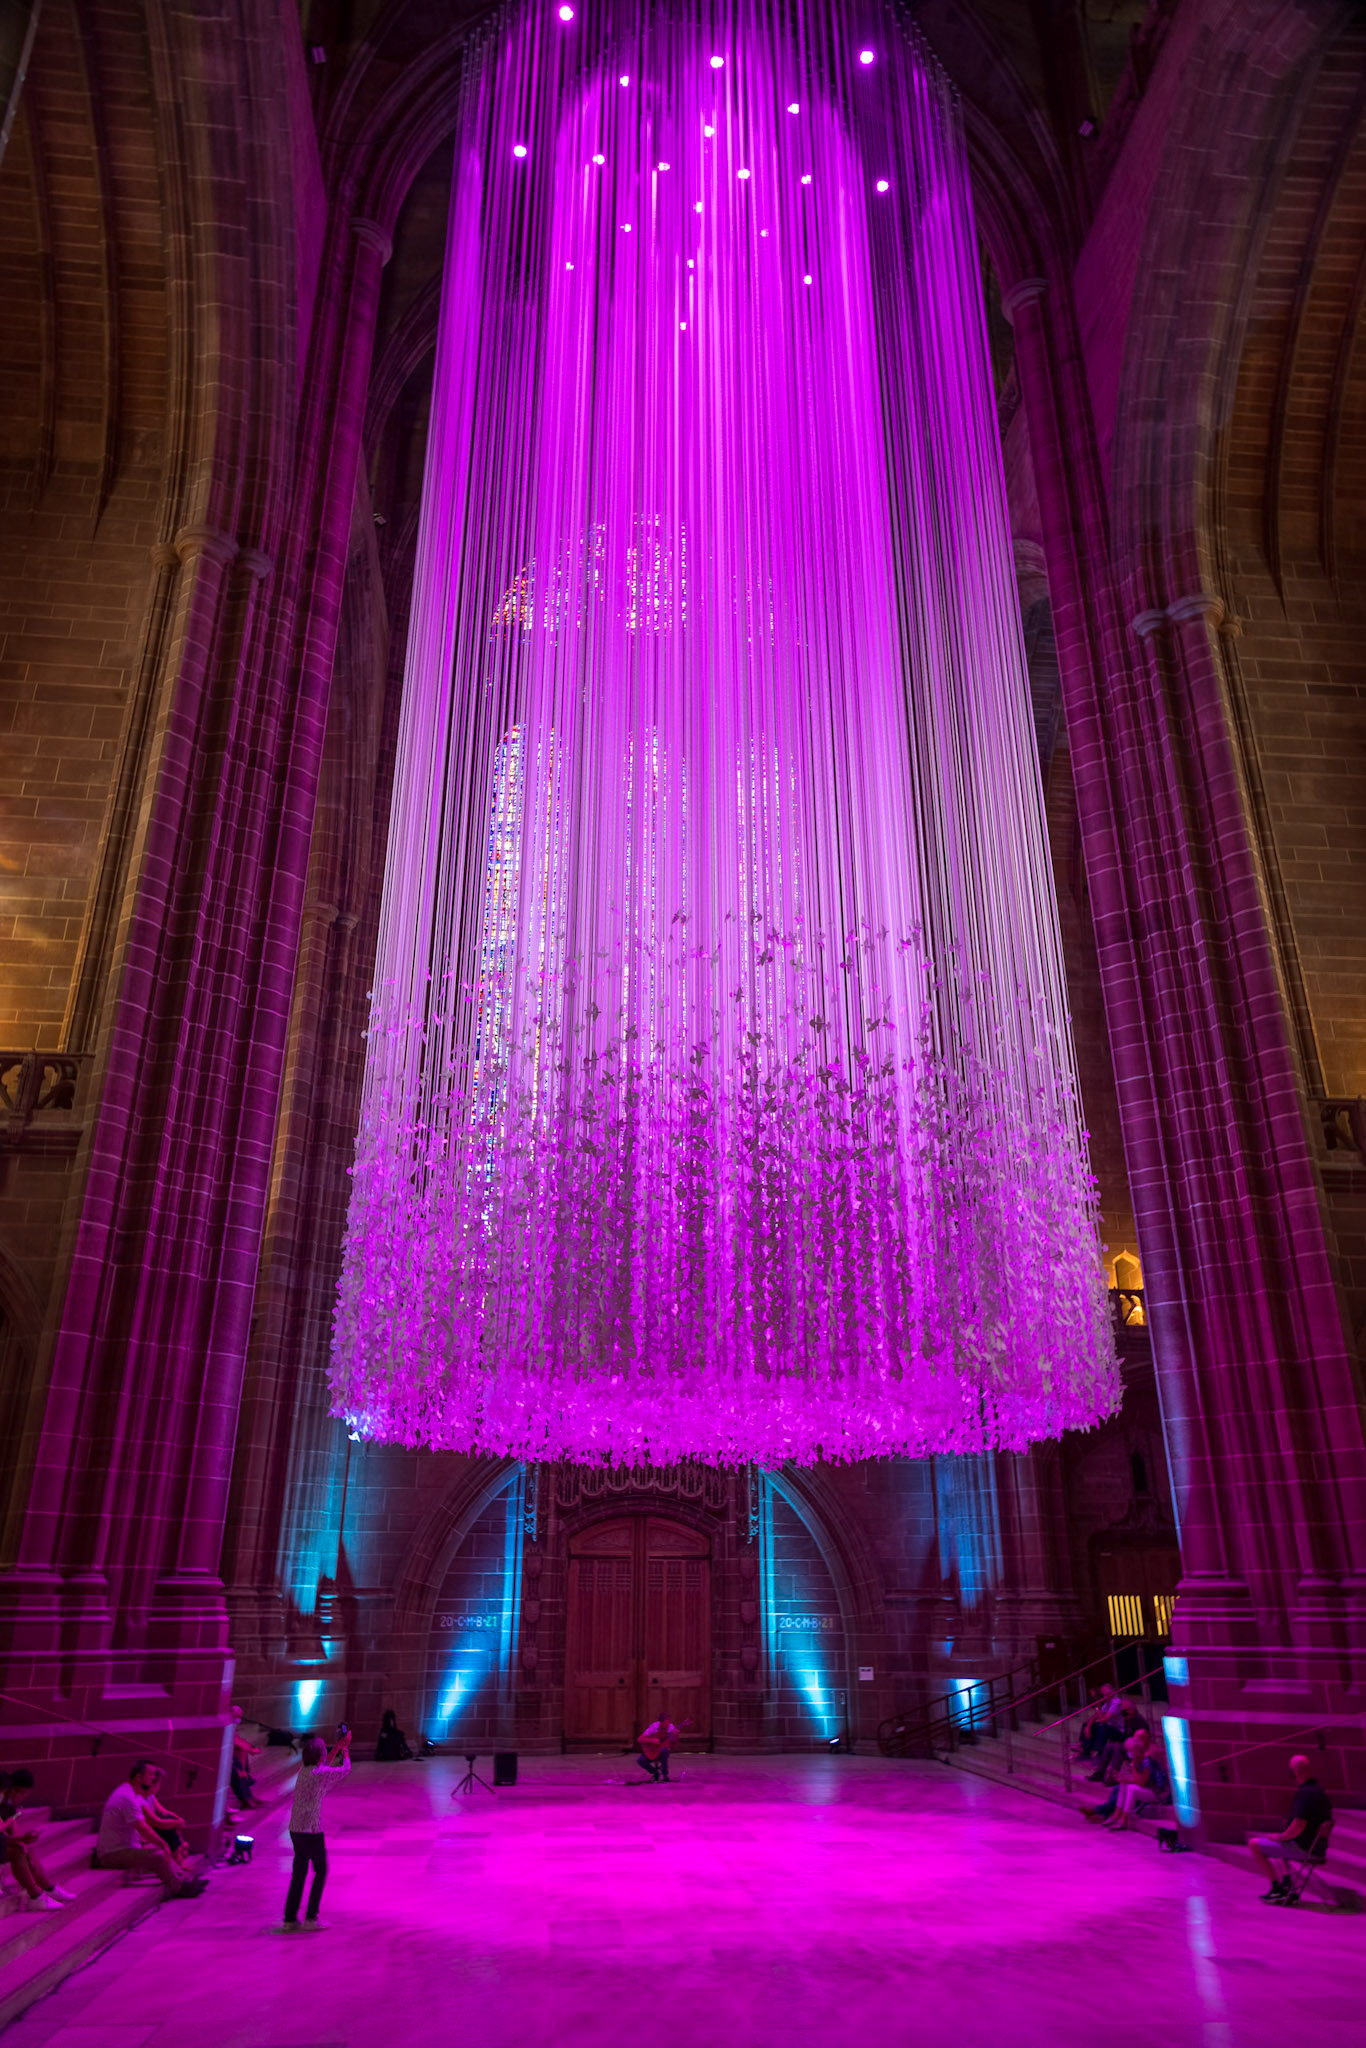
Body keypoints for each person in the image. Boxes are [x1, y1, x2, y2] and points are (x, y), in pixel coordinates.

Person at [96, 1760, 207, 1900]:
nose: (154, 1778)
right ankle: (180, 1887)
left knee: (160, 1849)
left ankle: (186, 1879)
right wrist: (163, 1844)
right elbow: (144, 1829)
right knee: (159, 1855)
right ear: (138, 1777)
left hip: (126, 1847)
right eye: (151, 1775)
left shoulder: (133, 1793)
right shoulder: (127, 1797)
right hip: (112, 1854)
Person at [281, 1726, 351, 1931]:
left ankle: (289, 1920)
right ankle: (311, 1918)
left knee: (298, 1874)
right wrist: (345, 1751)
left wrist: (337, 1746)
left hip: (295, 1829)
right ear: (319, 1755)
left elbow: (325, 1764)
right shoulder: (320, 1774)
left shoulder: (304, 1771)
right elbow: (344, 1770)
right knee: (321, 1871)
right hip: (311, 1830)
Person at [1247, 1753, 1333, 1902]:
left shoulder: (1305, 1793)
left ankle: (1276, 1888)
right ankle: (1286, 1884)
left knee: (1254, 1844)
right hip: (1318, 1847)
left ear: (1296, 1771)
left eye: (1291, 1770)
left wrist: (1281, 1837)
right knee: (1277, 1842)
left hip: (1304, 1848)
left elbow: (1299, 1825)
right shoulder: (1320, 1792)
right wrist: (1281, 1837)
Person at [0, 1769, 75, 1912]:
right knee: (17, 1851)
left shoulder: (9, 1808)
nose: (21, 1797)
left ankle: (48, 1888)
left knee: (25, 1849)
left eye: (25, 1794)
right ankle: (36, 1895)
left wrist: (24, 1840)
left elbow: (13, 1833)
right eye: (20, 1792)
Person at [142, 1767, 192, 1873]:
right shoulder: (141, 1799)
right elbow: (154, 1821)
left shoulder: (151, 1796)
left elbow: (162, 1811)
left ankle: (179, 1847)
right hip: (145, 1830)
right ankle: (178, 1855)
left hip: (153, 1826)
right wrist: (175, 1823)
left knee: (170, 1819)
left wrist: (178, 1819)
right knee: (168, 1827)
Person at [1076, 1684, 1125, 1761]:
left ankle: (1099, 1753)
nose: (1104, 1695)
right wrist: (1088, 1726)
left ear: (1112, 1692)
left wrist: (1098, 1707)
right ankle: (1084, 1749)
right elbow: (1094, 1717)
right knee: (1087, 1724)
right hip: (1108, 1728)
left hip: (1118, 1731)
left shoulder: (1116, 1702)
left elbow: (1103, 1719)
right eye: (1103, 1693)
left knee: (1102, 1726)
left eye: (1106, 1692)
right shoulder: (1106, 1704)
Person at [635, 1715, 689, 1784]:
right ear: (660, 1722)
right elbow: (640, 1739)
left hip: (662, 1753)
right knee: (640, 1760)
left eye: (668, 1722)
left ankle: (665, 1775)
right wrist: (652, 1740)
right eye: (665, 1723)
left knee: (664, 1751)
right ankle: (655, 1772)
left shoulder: (671, 1728)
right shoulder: (654, 1726)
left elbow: (674, 1744)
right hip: (652, 1751)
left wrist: (675, 1735)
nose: (666, 1725)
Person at [229, 1706, 262, 1809]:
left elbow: (239, 1740)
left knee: (242, 1756)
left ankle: (249, 1796)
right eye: (238, 1715)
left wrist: (250, 1748)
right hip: (225, 1760)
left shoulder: (232, 1728)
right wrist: (250, 1749)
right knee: (236, 1771)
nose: (240, 1717)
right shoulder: (226, 1727)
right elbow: (234, 1741)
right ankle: (245, 1799)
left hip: (232, 1759)